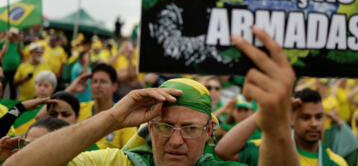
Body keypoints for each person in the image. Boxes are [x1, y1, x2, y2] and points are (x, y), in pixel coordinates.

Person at [4, 26, 300, 166]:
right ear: (149, 127)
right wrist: (113, 117)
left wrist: (275, 128)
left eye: (191, 129)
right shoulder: (120, 163)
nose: (175, 141)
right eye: (165, 126)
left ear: (211, 130)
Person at [215, 87, 347, 166]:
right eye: (305, 117)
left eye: (319, 117)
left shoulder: (336, 162)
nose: (314, 124)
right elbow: (223, 150)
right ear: (291, 119)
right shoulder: (268, 150)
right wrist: (267, 111)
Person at [66, 63, 137, 149]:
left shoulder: (125, 116)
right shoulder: (79, 109)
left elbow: (130, 153)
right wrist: (71, 89)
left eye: (103, 81)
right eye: (94, 81)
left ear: (114, 86)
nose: (97, 85)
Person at [1, 28, 24, 99]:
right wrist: (6, 39)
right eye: (12, 34)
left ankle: (12, 103)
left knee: (13, 87)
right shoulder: (3, 42)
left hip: (15, 69)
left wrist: (19, 42)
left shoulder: (19, 43)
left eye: (15, 35)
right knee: (2, 86)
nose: (13, 36)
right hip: (4, 68)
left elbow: (21, 54)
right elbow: (2, 53)